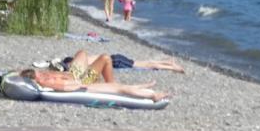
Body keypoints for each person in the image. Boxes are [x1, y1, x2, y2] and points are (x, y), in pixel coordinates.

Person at [22, 50, 169, 102]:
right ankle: (114, 85)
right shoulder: (46, 83)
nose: (42, 73)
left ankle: (137, 87)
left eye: (40, 72)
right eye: (39, 74)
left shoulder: (43, 77)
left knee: (82, 53)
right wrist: (80, 84)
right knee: (106, 59)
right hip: (83, 81)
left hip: (76, 76)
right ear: (35, 79)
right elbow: (66, 86)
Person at [58, 53, 185, 73]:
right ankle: (167, 62)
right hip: (115, 57)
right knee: (144, 63)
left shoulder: (84, 63)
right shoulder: (85, 58)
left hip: (116, 62)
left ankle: (172, 68)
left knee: (145, 65)